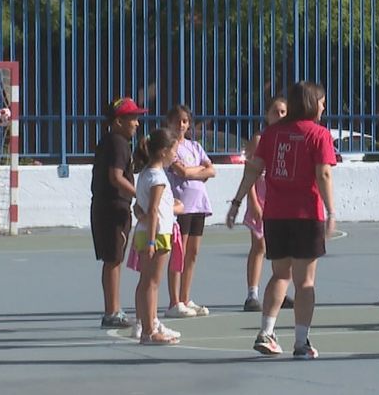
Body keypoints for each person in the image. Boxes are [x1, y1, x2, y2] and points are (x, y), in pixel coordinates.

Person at [225, 81, 337, 360]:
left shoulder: (272, 133)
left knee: (280, 274)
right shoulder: (319, 135)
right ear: (312, 103)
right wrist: (332, 211)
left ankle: (267, 332)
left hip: (275, 215)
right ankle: (301, 342)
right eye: (321, 101)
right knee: (305, 282)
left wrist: (237, 202)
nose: (324, 106)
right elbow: (323, 174)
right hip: (305, 215)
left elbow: (253, 169)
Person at [91, 97, 147, 329]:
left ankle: (112, 309)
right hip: (113, 208)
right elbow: (116, 177)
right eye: (132, 118)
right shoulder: (119, 143)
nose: (136, 123)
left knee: (112, 259)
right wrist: (140, 196)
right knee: (114, 259)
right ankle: (112, 311)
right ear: (119, 121)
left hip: (107, 206)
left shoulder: (109, 141)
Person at [131, 128, 182, 345]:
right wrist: (152, 240)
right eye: (174, 151)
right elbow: (152, 210)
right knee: (152, 283)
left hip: (144, 232)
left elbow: (138, 207)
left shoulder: (144, 174)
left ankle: (147, 325)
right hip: (157, 234)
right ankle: (150, 330)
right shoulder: (158, 177)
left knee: (145, 282)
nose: (176, 155)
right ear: (163, 152)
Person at [163, 104, 214, 318]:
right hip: (181, 205)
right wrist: (198, 172)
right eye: (177, 120)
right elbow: (180, 171)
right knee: (179, 253)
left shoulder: (195, 146)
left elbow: (211, 169)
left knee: (192, 253)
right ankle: (174, 302)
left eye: (185, 121)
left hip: (199, 204)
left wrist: (198, 172)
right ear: (170, 123)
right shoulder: (169, 149)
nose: (181, 125)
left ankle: (185, 297)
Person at [242, 95, 290, 312]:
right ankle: (252, 293)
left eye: (283, 112)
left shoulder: (289, 138)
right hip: (260, 197)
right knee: (259, 245)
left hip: (280, 198)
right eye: (275, 112)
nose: (279, 116)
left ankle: (281, 290)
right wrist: (252, 201)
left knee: (280, 248)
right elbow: (250, 171)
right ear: (267, 114)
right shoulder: (259, 139)